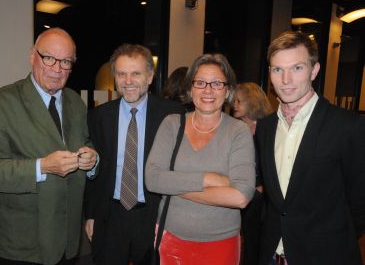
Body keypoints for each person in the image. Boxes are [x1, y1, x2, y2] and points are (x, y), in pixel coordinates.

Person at [0, 28, 97, 265]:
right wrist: (42, 167)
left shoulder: (75, 103)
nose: (58, 69)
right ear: (32, 56)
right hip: (20, 246)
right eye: (49, 58)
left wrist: (92, 160)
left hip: (69, 242)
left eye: (66, 62)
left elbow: (85, 142)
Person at [255, 31, 365, 265]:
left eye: (297, 68)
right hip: (273, 255)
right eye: (277, 69)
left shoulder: (348, 126)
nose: (286, 80)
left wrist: (333, 242)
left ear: (314, 70)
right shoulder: (265, 128)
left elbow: (360, 201)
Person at [145, 53, 256, 265]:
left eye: (216, 83)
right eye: (200, 82)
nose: (208, 90)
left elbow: (240, 197)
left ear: (228, 90)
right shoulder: (171, 124)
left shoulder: (238, 131)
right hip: (171, 238)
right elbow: (152, 179)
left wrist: (175, 186)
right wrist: (209, 178)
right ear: (190, 89)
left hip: (220, 243)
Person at [84, 44, 184, 265]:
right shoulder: (98, 116)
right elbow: (94, 170)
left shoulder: (173, 115)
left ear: (149, 76)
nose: (128, 81)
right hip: (110, 216)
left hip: (154, 215)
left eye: (135, 73)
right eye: (122, 74)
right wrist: (91, 214)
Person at [232, 82, 273, 265]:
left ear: (252, 103)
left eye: (239, 101)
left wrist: (261, 188)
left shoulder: (269, 128)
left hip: (262, 197)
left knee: (259, 242)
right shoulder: (234, 127)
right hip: (240, 191)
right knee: (247, 242)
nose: (234, 105)